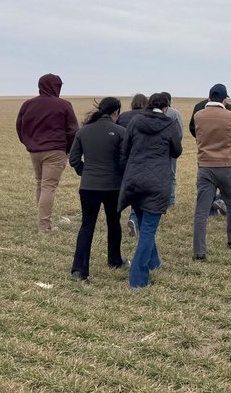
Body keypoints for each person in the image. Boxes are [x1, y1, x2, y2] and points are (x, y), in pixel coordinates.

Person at [118, 93, 181, 288]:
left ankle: (154, 262)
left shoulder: (136, 121)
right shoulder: (169, 123)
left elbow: (125, 149)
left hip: (135, 181)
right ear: (165, 108)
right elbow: (176, 151)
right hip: (157, 183)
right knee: (147, 230)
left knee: (144, 222)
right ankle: (137, 279)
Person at [68, 98, 128, 281]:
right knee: (114, 222)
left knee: (87, 225)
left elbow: (73, 159)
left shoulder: (83, 131)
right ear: (116, 112)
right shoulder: (120, 132)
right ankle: (114, 259)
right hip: (113, 186)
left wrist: (84, 171)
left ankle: (79, 269)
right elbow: (123, 160)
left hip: (88, 186)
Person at [16, 73, 79, 233]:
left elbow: (20, 126)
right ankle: (44, 226)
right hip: (55, 150)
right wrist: (69, 150)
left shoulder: (28, 104)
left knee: (40, 184)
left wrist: (29, 143)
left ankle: (42, 221)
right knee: (48, 186)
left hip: (35, 151)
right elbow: (72, 130)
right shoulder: (64, 105)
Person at [192, 84, 231, 259]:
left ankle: (199, 251)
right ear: (225, 99)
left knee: (201, 210)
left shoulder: (198, 116)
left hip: (205, 167)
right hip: (226, 166)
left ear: (209, 98)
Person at [117, 94, 148, 236]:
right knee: (139, 191)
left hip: (124, 157)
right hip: (142, 158)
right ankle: (134, 218)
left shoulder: (123, 116)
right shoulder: (147, 116)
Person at [162, 92, 184, 206]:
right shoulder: (175, 113)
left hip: (157, 150)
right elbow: (179, 132)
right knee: (171, 175)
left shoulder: (152, 113)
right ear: (170, 101)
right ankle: (170, 201)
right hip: (171, 149)